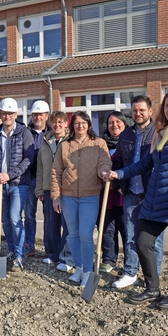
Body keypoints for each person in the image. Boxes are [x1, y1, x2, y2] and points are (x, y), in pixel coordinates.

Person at [104, 90, 168, 309]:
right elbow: (145, 164)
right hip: (157, 199)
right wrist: (119, 174)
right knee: (143, 241)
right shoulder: (164, 133)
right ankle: (152, 288)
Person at [51, 111, 112, 287]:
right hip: (68, 196)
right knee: (73, 235)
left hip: (90, 196)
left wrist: (104, 172)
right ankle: (78, 268)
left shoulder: (98, 143)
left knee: (86, 235)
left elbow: (104, 163)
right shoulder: (65, 145)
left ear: (88, 124)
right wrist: (56, 196)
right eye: (77, 123)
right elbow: (56, 171)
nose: (80, 126)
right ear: (72, 125)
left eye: (83, 123)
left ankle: (88, 270)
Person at [111, 95, 165, 288]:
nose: (138, 113)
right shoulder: (126, 135)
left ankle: (153, 276)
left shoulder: (159, 133)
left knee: (155, 239)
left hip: (152, 194)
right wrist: (117, 183)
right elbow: (118, 160)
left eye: (142, 110)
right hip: (131, 193)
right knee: (131, 235)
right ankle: (130, 272)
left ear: (150, 111)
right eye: (134, 110)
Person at [0, 98, 34, 271]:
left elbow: (29, 159)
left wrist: (10, 174)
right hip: (0, 184)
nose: (7, 116)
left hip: (18, 184)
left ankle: (20, 256)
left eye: (10, 113)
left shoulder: (24, 133)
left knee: (15, 218)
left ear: (15, 115)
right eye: (4, 113)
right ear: (0, 114)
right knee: (5, 220)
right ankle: (12, 251)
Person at [99, 112, 132, 275]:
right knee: (107, 229)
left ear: (124, 124)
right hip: (106, 194)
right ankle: (109, 259)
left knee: (126, 229)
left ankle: (130, 262)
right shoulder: (101, 144)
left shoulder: (129, 143)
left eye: (118, 122)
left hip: (123, 193)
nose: (114, 125)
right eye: (111, 122)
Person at [35, 111, 69, 268]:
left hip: (67, 189)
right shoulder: (45, 141)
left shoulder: (70, 140)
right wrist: (40, 189)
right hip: (49, 188)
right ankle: (53, 254)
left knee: (67, 224)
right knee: (51, 224)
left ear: (66, 124)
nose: (57, 125)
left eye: (60, 122)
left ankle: (66, 257)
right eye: (54, 122)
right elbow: (40, 167)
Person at [24, 100, 50, 258]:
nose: (37, 117)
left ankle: (49, 247)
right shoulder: (25, 132)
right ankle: (29, 246)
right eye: (35, 114)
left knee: (49, 216)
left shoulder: (53, 133)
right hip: (29, 179)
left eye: (40, 114)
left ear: (46, 116)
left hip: (46, 180)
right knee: (29, 215)